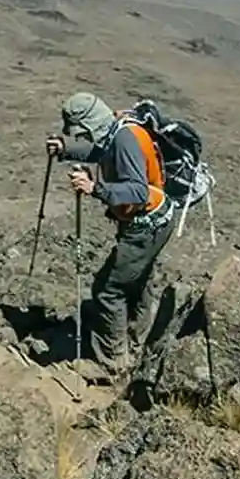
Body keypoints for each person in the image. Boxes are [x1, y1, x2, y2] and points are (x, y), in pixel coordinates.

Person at [45, 92, 175, 378]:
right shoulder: (116, 129)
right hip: (157, 219)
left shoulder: (124, 139)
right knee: (139, 281)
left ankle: (114, 361)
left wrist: (96, 189)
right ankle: (138, 342)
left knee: (108, 290)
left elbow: (137, 192)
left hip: (146, 225)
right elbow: (101, 151)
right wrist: (66, 149)